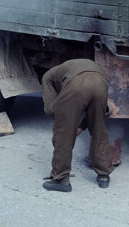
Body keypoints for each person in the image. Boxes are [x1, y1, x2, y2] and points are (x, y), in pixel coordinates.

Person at [41, 59, 113, 192]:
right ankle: (104, 176)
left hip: (77, 83)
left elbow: (50, 109)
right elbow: (97, 115)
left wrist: (64, 121)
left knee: (64, 134)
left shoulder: (48, 77)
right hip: (100, 82)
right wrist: (82, 125)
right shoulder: (71, 67)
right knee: (98, 129)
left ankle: (61, 179)